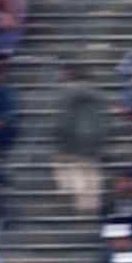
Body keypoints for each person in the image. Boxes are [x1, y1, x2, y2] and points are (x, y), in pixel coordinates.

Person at [52, 66, 108, 215]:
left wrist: (60, 134)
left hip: (73, 138)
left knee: (74, 168)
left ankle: (72, 199)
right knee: (91, 171)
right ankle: (90, 207)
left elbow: (65, 118)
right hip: (95, 137)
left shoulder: (68, 93)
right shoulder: (98, 95)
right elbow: (104, 118)